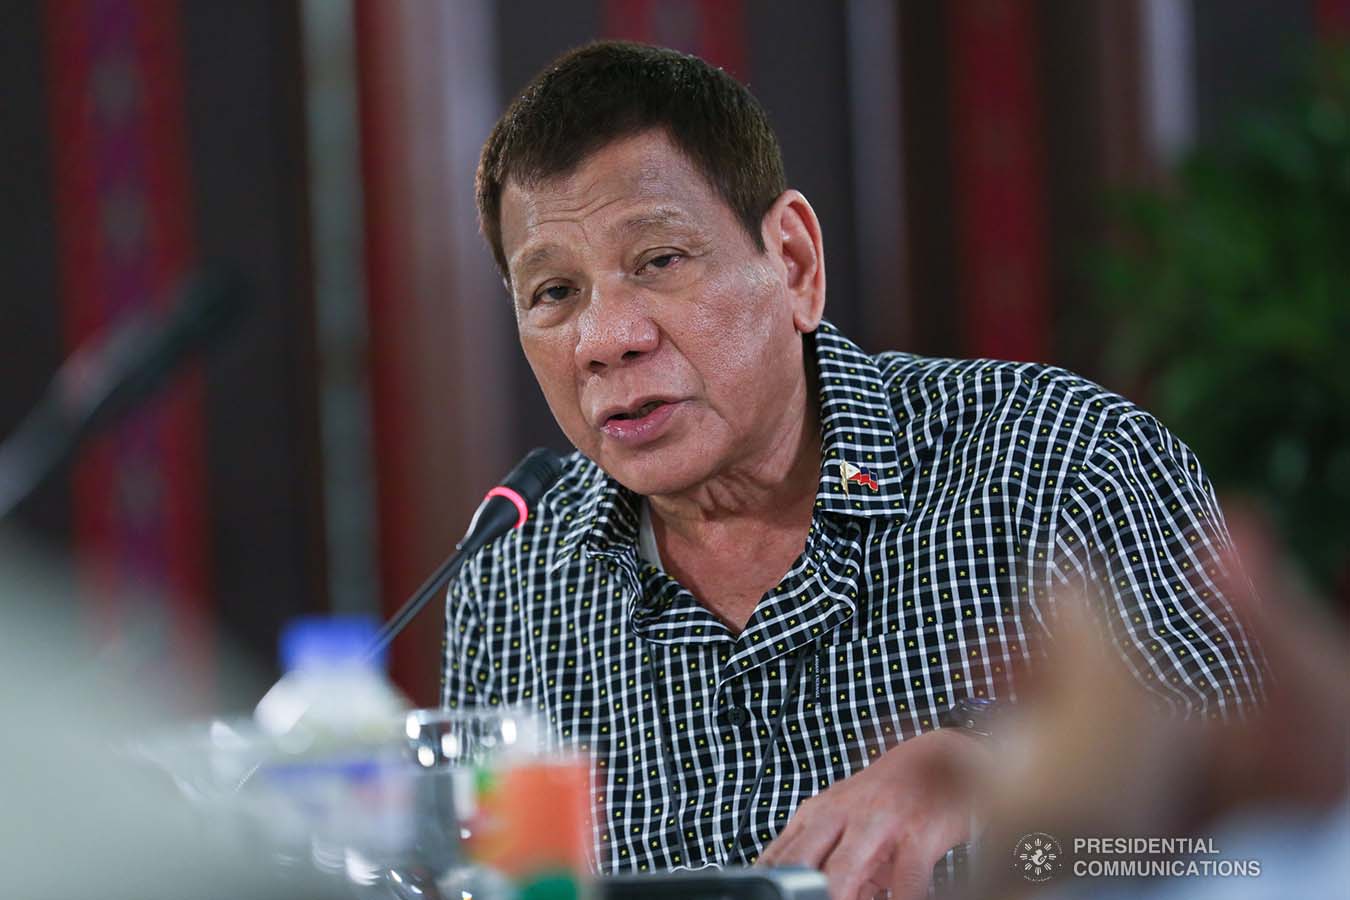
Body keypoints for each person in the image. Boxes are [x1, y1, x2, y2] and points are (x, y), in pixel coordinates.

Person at [442, 40, 1263, 898]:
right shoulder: (511, 577)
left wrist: (996, 787)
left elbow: (1264, 851)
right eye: (554, 293)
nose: (607, 338)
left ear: (793, 262)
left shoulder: (1060, 464)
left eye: (660, 260)